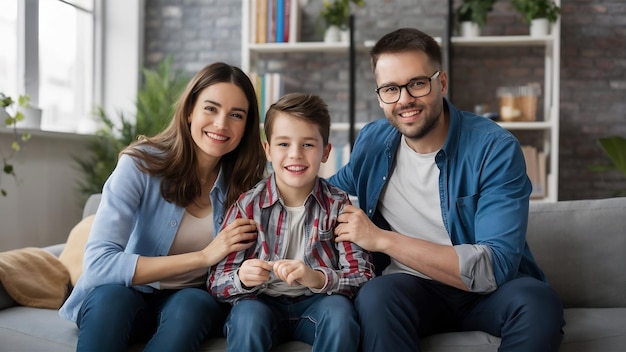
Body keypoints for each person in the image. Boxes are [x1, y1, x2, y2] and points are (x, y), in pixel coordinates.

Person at [329, 28, 565, 351]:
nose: (405, 100)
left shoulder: (494, 149)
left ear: (441, 83)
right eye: (390, 89)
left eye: (417, 83)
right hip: (411, 291)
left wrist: (382, 239)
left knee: (538, 303)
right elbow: (321, 197)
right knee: (374, 296)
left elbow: (493, 267)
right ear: (379, 96)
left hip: (489, 295)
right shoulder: (372, 142)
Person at [58, 62, 267, 351]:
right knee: (111, 298)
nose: (221, 123)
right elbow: (98, 265)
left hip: (190, 303)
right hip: (125, 296)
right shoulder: (139, 165)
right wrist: (203, 257)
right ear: (190, 110)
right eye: (211, 108)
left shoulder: (248, 186)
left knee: (193, 302)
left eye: (236, 115)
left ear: (246, 127)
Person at [210, 92, 374, 352]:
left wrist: (317, 278)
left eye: (308, 144)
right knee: (247, 318)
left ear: (326, 152)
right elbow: (217, 281)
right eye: (283, 144)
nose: (295, 154)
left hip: (317, 302)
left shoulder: (339, 205)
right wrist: (241, 277)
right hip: (260, 302)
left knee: (340, 314)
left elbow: (362, 275)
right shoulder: (247, 206)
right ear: (268, 150)